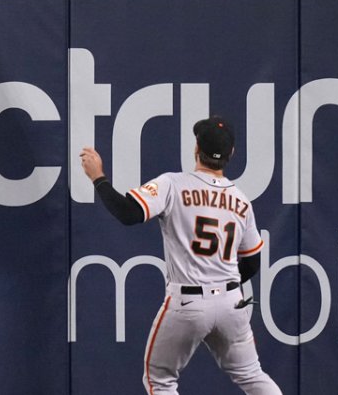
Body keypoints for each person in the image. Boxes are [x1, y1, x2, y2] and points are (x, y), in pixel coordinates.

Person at [79, 116, 281, 395]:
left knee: (159, 380)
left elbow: (128, 213)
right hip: (232, 303)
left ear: (196, 148)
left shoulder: (173, 184)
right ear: (232, 154)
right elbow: (253, 262)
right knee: (252, 374)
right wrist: (222, 284)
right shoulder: (242, 201)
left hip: (189, 301)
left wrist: (98, 178)